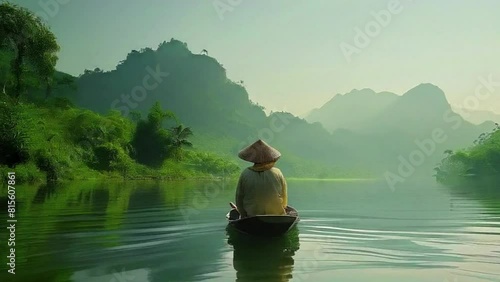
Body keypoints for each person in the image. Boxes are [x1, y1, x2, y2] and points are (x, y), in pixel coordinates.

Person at [235, 139, 288, 218]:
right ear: (270, 159)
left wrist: (243, 215)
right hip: (276, 215)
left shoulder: (245, 173)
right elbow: (284, 196)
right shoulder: (277, 172)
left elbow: (239, 197)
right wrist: (283, 208)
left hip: (252, 216)